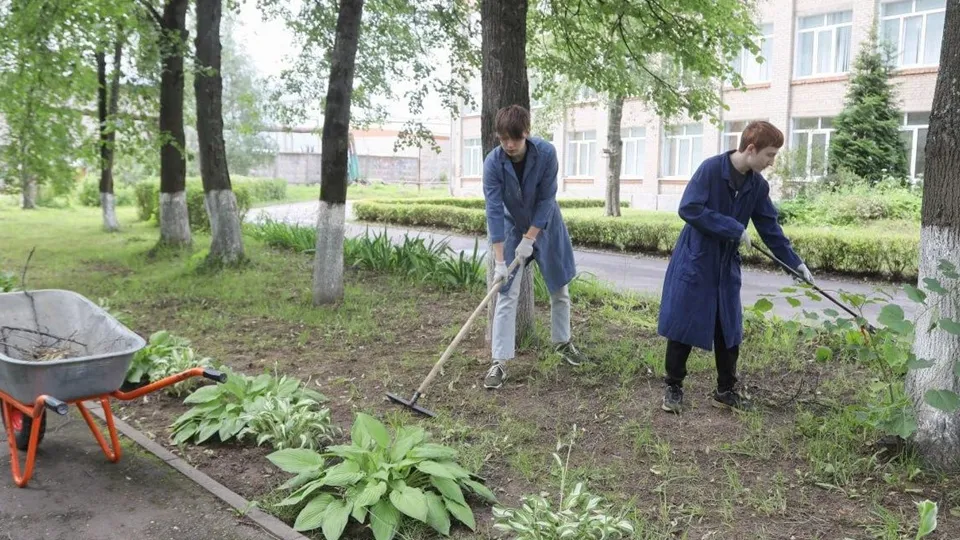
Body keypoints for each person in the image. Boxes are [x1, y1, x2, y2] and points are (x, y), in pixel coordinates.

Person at [657, 120, 814, 413]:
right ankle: (673, 387)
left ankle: (726, 390)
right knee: (685, 322)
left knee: (729, 326)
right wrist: (732, 227)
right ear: (751, 149)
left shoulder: (757, 186)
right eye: (769, 155)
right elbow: (689, 208)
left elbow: (770, 229)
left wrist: (795, 263)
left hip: (726, 263)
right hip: (697, 258)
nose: (772, 162)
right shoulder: (710, 170)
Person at [481, 104, 589, 389]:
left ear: (526, 133)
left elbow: (546, 199)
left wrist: (531, 239)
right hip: (511, 225)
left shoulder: (546, 153)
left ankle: (562, 342)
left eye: (515, 138)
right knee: (506, 292)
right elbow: (493, 209)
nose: (509, 144)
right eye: (503, 138)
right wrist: (501, 261)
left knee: (559, 288)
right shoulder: (493, 163)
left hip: (547, 224)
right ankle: (499, 362)